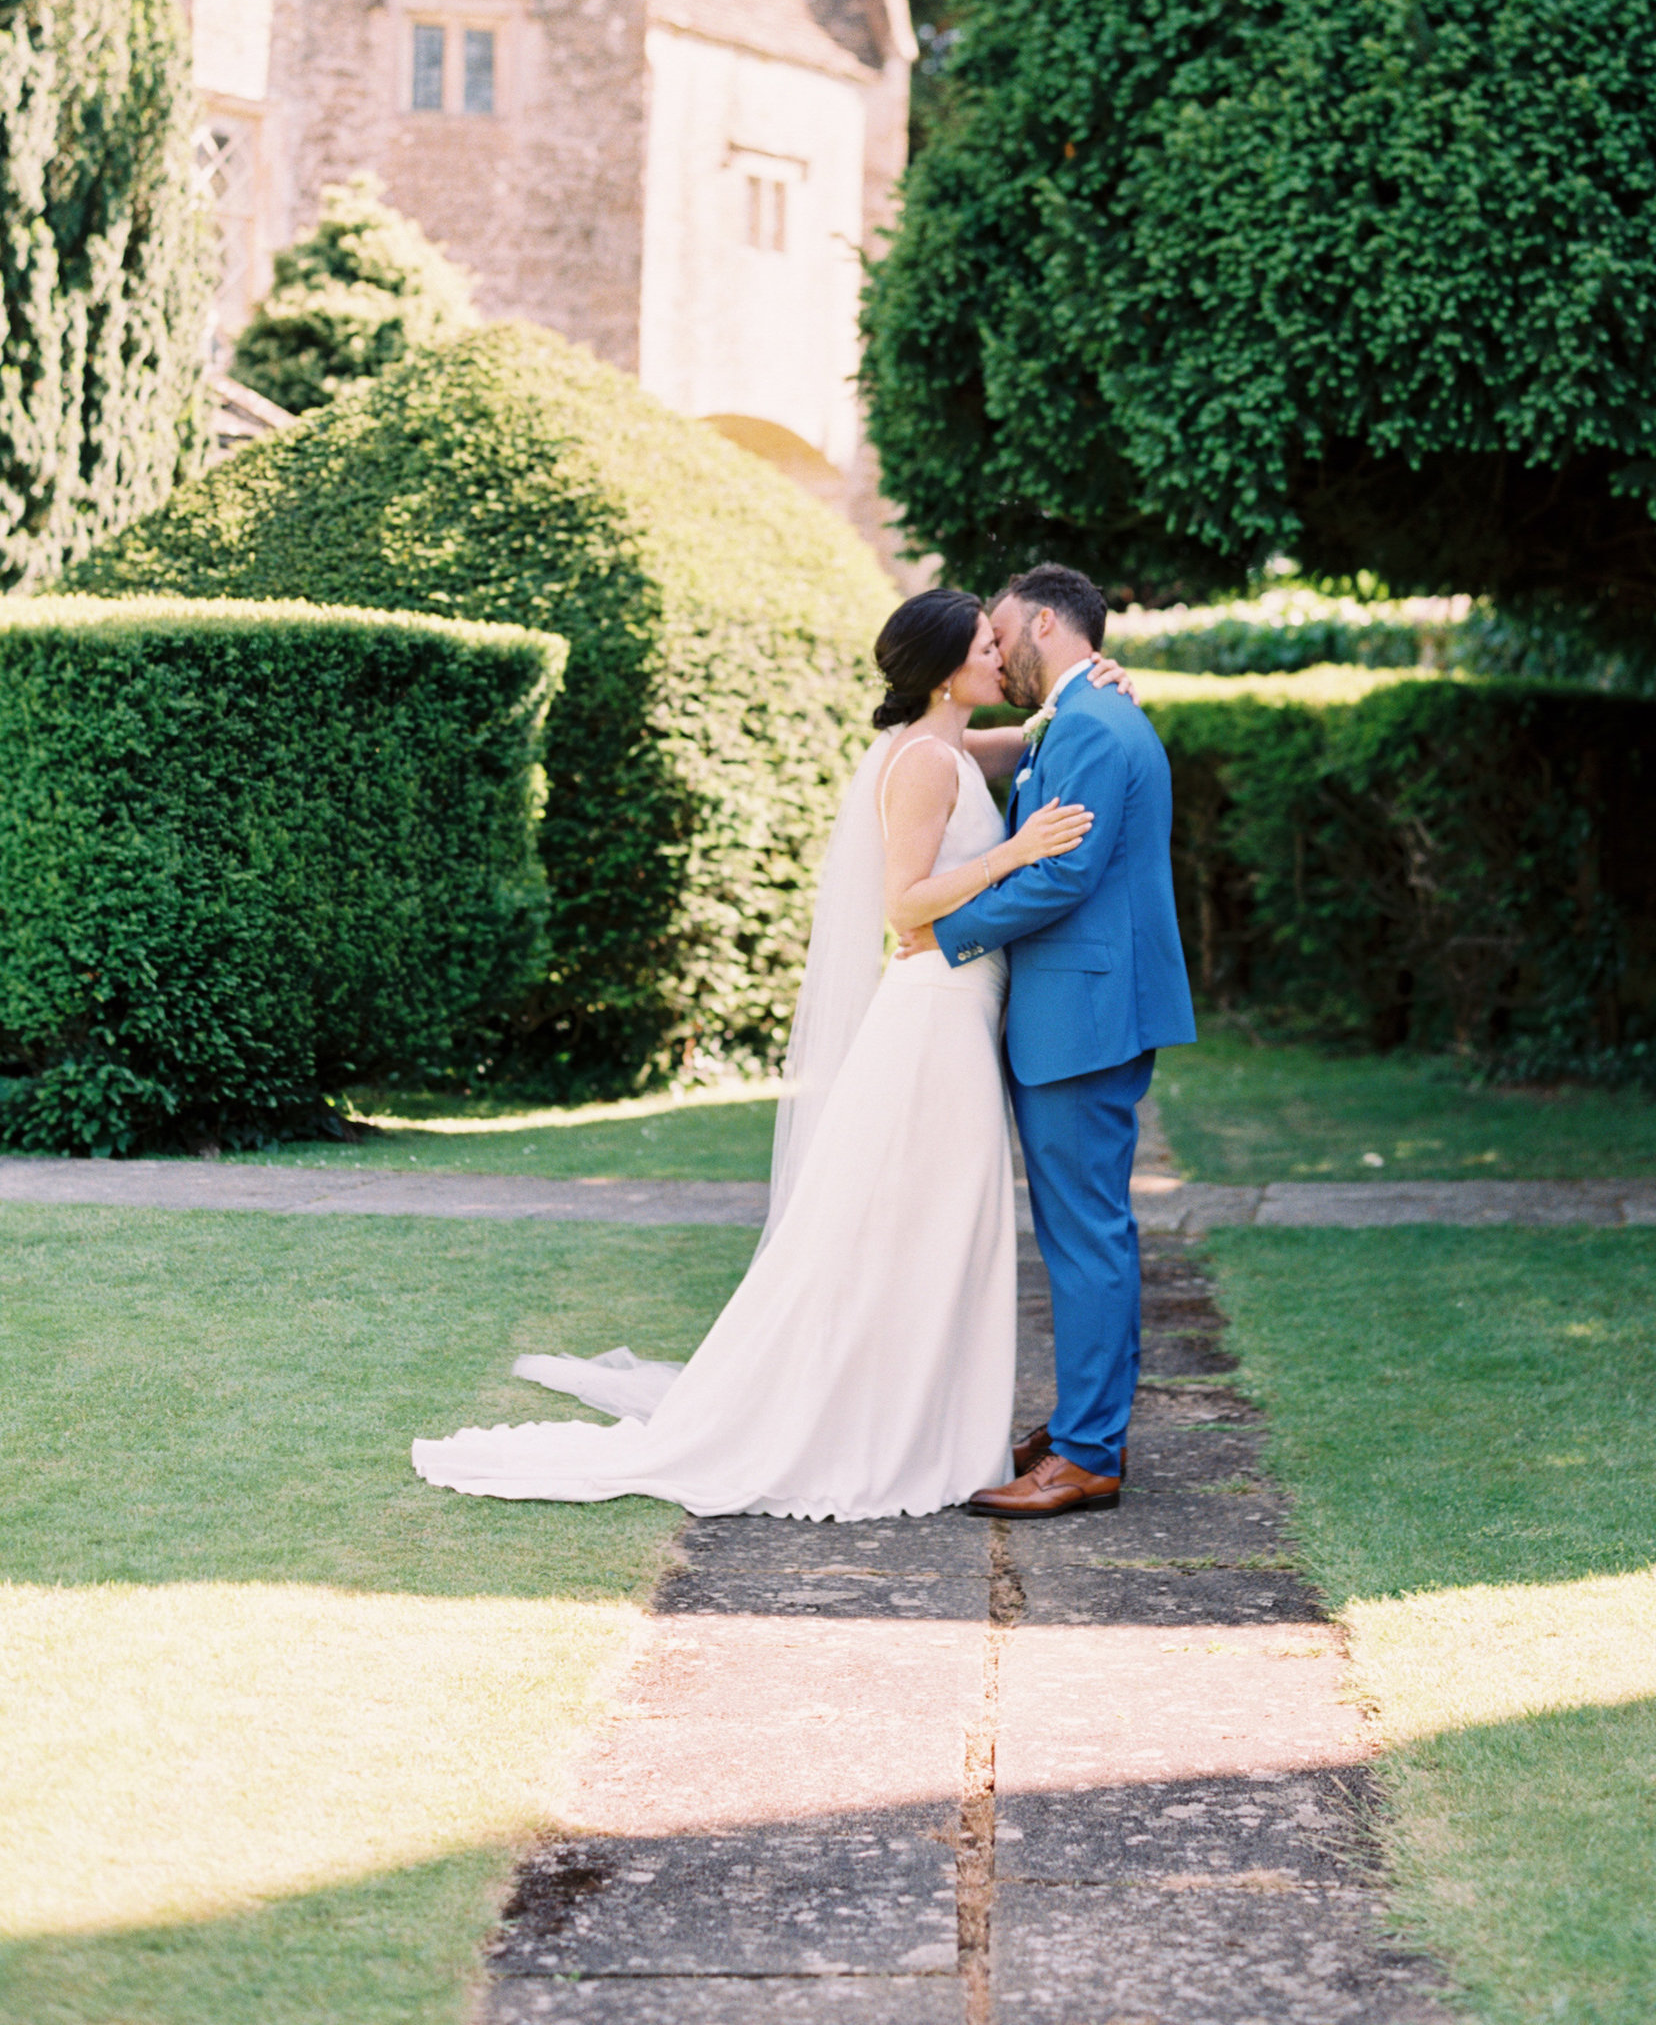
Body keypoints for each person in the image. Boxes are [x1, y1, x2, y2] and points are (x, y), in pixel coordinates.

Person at [408, 588, 1124, 1521]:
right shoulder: (920, 763)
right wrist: (1015, 851)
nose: (1001, 656)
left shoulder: (945, 746)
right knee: (914, 1228)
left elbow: (1026, 737)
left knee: (936, 1232)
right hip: (933, 1025)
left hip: (957, 1016)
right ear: (949, 667)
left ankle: (928, 1419)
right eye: (988, 646)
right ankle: (883, 1429)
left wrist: (1082, 695)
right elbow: (904, 905)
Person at [913, 562, 1198, 1520]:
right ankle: (1089, 1425)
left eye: (999, 635)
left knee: (1086, 1238)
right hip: (1082, 1007)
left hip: (1084, 1015)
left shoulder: (1091, 721)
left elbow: (1064, 876)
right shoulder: (1077, 717)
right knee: (1088, 1231)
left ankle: (1085, 1453)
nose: (995, 651)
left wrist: (943, 937)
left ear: (1044, 621)